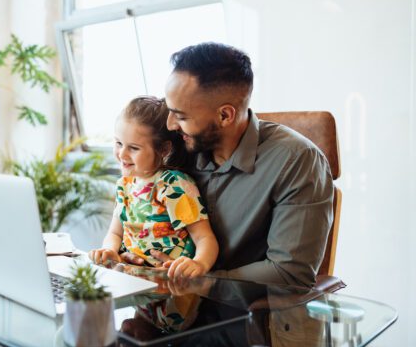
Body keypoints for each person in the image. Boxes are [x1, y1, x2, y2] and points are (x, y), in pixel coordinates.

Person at [121, 42, 333, 288]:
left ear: (225, 115)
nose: (170, 125)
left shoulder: (297, 160)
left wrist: (195, 280)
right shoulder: (178, 146)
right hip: (160, 303)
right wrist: (133, 257)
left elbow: (288, 274)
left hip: (243, 318)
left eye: (181, 116)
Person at [88, 96, 219, 278]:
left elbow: (204, 237)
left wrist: (199, 264)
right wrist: (109, 250)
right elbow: (115, 232)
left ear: (164, 149)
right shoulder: (125, 185)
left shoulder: (173, 184)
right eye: (118, 143)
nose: (122, 154)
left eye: (134, 148)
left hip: (173, 283)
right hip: (134, 278)